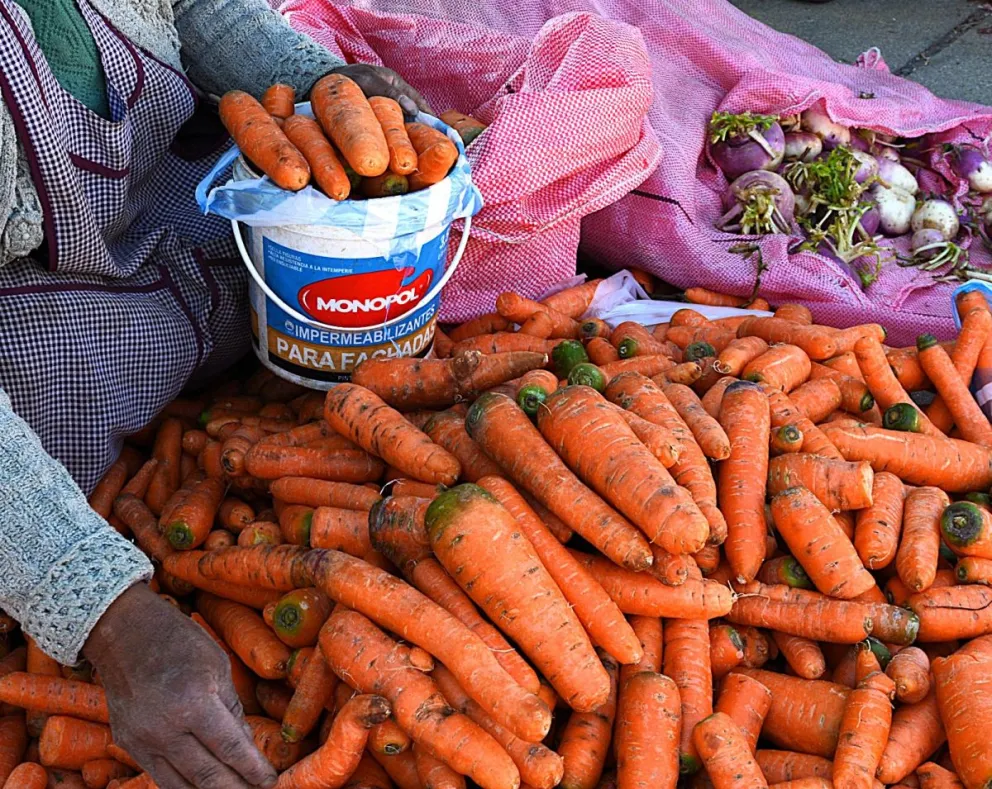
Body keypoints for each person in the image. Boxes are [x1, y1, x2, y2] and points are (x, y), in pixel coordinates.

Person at [0, 1, 428, 786]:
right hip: (41, 320)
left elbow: (195, 7)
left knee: (347, 248)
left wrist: (321, 95)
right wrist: (110, 616)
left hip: (163, 199)